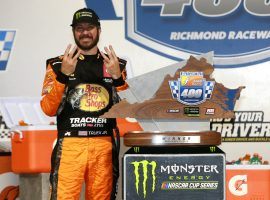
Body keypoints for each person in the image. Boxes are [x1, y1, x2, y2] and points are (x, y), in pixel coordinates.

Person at [40, 8, 128, 200]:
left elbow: (130, 110)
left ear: (99, 30)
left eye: (90, 27)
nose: (85, 32)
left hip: (103, 145)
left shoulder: (116, 65)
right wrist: (63, 75)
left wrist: (117, 79)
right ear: (73, 31)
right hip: (70, 145)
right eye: (79, 28)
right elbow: (48, 109)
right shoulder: (56, 65)